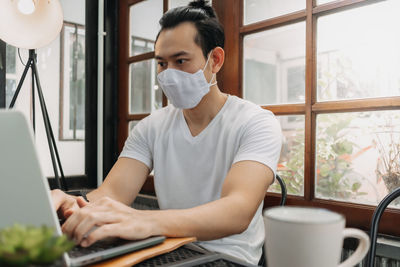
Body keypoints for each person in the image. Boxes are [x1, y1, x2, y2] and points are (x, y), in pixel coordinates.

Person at [52, 0, 282, 264]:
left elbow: (237, 211)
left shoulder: (256, 122)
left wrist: (145, 221)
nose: (168, 74)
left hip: (227, 257)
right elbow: (113, 193)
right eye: (162, 63)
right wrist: (73, 205)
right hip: (168, 247)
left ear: (215, 60)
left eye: (181, 60)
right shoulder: (152, 127)